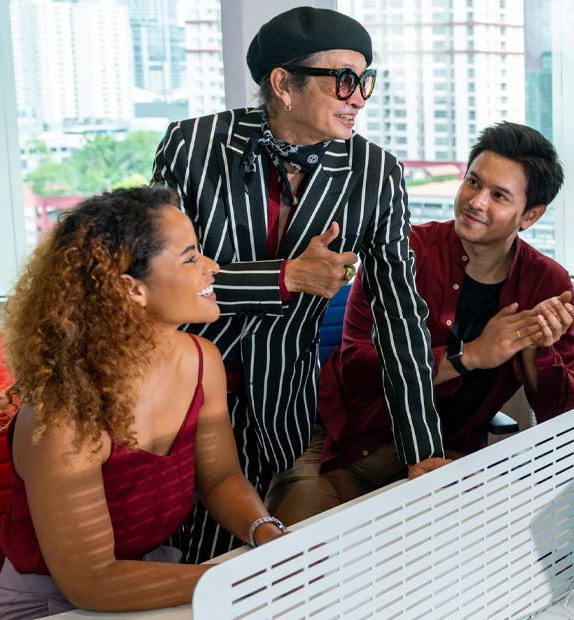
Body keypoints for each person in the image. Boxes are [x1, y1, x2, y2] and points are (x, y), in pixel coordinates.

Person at [151, 7, 447, 562]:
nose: (360, 97)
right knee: (163, 554)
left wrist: (422, 450)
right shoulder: (193, 146)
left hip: (280, 400)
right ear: (283, 83)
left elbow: (400, 315)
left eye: (367, 80)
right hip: (178, 392)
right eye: (344, 79)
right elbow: (159, 280)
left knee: (231, 563)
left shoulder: (375, 171)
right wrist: (286, 277)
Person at [0, 188, 287, 620]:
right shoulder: (67, 412)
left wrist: (267, 534)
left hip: (152, 578)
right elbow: (92, 582)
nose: (211, 267)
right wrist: (235, 579)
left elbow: (219, 478)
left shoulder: (202, 360)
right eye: (190, 257)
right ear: (132, 289)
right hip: (54, 604)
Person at [264, 123, 574, 524]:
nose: (476, 201)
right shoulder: (404, 252)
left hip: (447, 456)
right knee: (295, 561)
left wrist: (539, 349)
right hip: (349, 450)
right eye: (473, 182)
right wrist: (468, 357)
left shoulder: (546, 281)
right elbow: (355, 369)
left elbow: (561, 409)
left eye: (499, 196)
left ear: (531, 215)